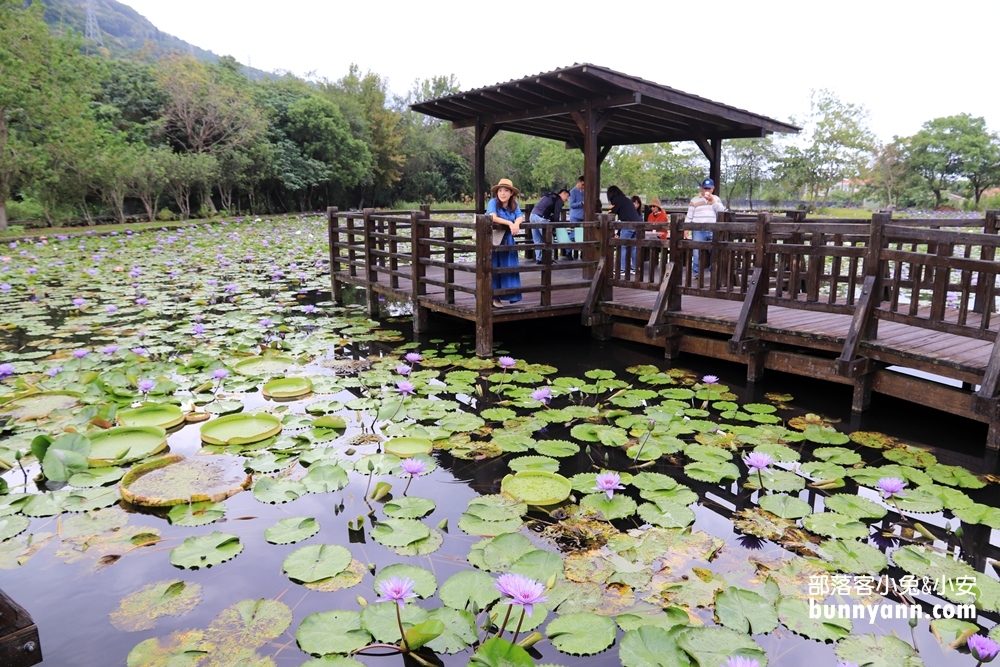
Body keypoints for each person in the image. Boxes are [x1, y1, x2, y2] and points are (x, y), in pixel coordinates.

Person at [486, 178, 524, 307]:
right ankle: (493, 297)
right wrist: (509, 223)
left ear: (511, 193)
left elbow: (520, 216)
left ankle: (507, 294)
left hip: (508, 240)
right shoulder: (493, 202)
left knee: (509, 267)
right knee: (494, 267)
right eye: (500, 191)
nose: (502, 193)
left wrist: (516, 224)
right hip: (494, 240)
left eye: (506, 191)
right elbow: (492, 217)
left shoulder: (514, 204)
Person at [686, 178, 726, 277]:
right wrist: (686, 229)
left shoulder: (716, 199)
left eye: (709, 189)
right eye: (705, 188)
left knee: (715, 250)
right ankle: (697, 273)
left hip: (713, 229)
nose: (707, 191)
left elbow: (721, 211)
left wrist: (713, 201)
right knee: (697, 251)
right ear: (702, 189)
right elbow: (689, 215)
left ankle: (713, 270)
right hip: (698, 229)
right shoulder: (694, 200)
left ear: (713, 189)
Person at [607, 185, 643, 272]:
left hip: (628, 225)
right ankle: (635, 268)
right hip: (637, 225)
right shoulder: (625, 199)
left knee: (622, 246)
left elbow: (611, 213)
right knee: (634, 247)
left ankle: (622, 269)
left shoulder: (617, 200)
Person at [528, 189, 569, 263]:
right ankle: (548, 259)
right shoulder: (558, 200)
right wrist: (554, 228)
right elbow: (556, 215)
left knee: (537, 239)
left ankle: (539, 259)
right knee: (549, 239)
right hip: (541, 218)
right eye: (567, 196)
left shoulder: (550, 195)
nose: (567, 199)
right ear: (563, 193)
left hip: (533, 215)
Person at [565, 176, 585, 258]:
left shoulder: (584, 192)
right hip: (575, 217)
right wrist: (581, 203)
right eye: (583, 184)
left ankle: (582, 252)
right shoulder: (572, 192)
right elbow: (571, 205)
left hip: (583, 216)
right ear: (579, 182)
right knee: (573, 234)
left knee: (583, 235)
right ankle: (568, 251)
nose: (583, 186)